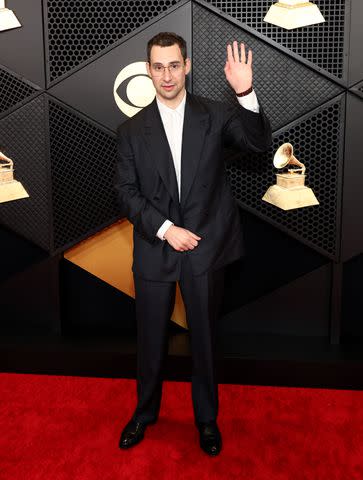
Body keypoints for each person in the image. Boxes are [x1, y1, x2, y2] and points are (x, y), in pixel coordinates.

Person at [115, 32, 271, 456]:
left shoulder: (217, 114)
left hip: (206, 247)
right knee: (150, 341)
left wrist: (246, 92)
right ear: (149, 71)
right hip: (155, 247)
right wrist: (166, 228)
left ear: (187, 66)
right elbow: (126, 193)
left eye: (174, 65)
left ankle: (206, 420)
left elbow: (258, 145)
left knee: (204, 339)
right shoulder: (131, 130)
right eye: (158, 66)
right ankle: (145, 414)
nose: (167, 74)